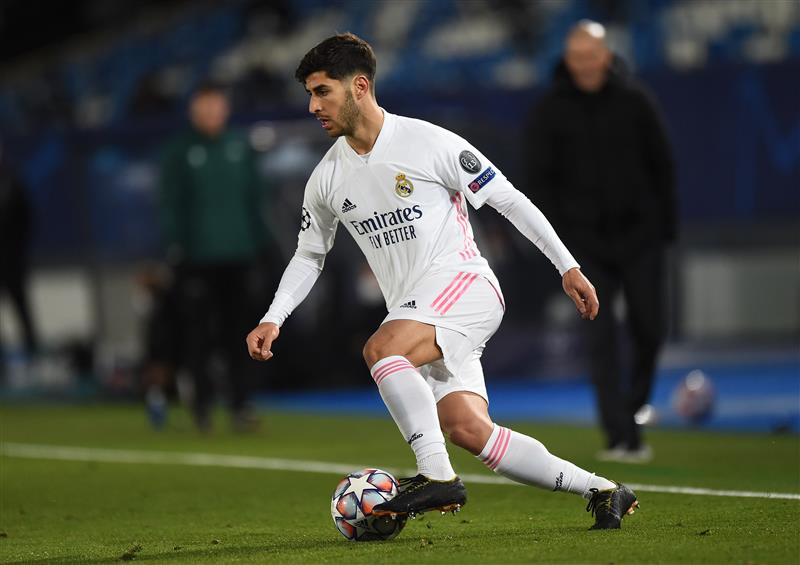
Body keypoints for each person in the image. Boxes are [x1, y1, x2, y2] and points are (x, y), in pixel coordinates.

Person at [246, 33, 638, 529]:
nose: (312, 106)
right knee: (469, 430)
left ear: (359, 86)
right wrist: (273, 316)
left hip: (464, 286)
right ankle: (604, 491)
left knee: (380, 350)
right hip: (418, 312)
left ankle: (435, 476)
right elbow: (309, 255)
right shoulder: (326, 178)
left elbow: (508, 199)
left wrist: (567, 266)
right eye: (309, 93)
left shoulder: (427, 142)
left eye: (322, 91)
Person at [526, 21, 677, 463]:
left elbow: (663, 166)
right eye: (577, 59)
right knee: (599, 336)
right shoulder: (549, 111)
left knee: (651, 327)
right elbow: (538, 183)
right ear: (567, 61)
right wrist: (560, 250)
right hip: (584, 244)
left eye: (592, 57)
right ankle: (621, 434)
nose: (585, 66)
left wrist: (665, 230)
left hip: (641, 236)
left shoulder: (636, 102)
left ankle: (631, 408)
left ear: (606, 57)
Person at [158, 82, 269, 432]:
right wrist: (176, 249)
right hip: (197, 259)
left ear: (225, 109)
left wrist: (261, 247)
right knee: (199, 336)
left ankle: (241, 404)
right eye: (203, 107)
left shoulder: (240, 147)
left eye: (215, 106)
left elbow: (256, 201)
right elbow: (170, 204)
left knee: (241, 334)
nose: (210, 113)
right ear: (193, 110)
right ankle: (202, 406)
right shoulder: (179, 152)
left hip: (240, 256)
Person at [0, 142, 39, 380]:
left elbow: (26, 222)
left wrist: (17, 251)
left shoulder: (13, 186)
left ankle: (33, 359)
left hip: (12, 262)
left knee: (22, 310)